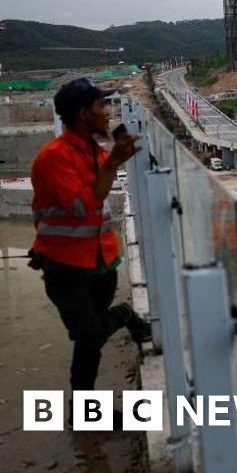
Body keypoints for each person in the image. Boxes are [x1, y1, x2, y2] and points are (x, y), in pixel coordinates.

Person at [29, 78, 151, 409]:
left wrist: (112, 161)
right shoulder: (55, 157)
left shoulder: (93, 152)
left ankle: (84, 408)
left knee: (90, 342)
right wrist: (113, 163)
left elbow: (97, 201)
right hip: (64, 266)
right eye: (102, 106)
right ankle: (124, 316)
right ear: (84, 114)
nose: (108, 113)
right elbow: (83, 206)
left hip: (100, 262)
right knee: (87, 335)